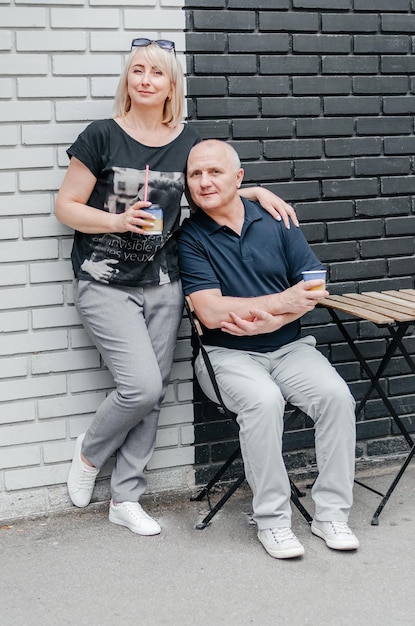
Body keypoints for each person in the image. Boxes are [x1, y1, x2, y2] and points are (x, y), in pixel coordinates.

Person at [55, 38, 295, 536]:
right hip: (104, 280)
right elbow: (66, 206)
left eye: (156, 73)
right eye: (137, 70)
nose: (145, 79)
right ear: (128, 79)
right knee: (139, 386)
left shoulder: (187, 141)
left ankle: (126, 497)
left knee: (155, 391)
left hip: (164, 282)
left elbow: (209, 186)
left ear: (171, 85)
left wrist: (252, 189)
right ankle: (90, 451)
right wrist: (117, 222)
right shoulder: (101, 135)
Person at [178, 139, 359, 558]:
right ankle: (273, 521)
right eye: (195, 174)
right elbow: (209, 311)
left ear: (239, 178)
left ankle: (331, 514)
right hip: (225, 355)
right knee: (263, 401)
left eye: (215, 172)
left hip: (290, 347)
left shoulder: (277, 218)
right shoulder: (190, 238)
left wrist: (272, 318)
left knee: (335, 397)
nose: (204, 182)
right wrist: (281, 303)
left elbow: (313, 285)